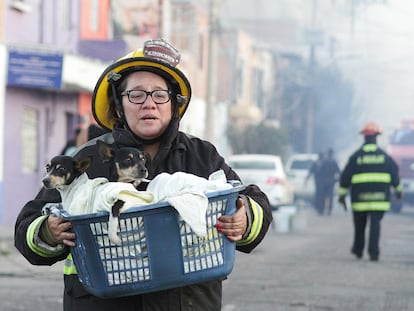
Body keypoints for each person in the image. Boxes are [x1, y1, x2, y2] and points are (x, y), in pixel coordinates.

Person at [14, 39, 273, 310]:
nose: (149, 104)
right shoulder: (87, 161)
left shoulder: (201, 156)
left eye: (160, 95)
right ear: (118, 106)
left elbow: (250, 201)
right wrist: (48, 231)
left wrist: (245, 218)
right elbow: (28, 227)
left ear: (174, 104)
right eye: (136, 95)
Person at [338, 121, 402, 262]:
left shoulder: (356, 157)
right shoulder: (385, 157)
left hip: (359, 199)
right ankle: (374, 253)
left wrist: (341, 196)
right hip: (379, 200)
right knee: (375, 226)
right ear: (376, 137)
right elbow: (395, 175)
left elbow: (345, 178)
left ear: (364, 137)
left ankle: (358, 250)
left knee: (359, 226)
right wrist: (398, 192)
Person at [319, 148, 340, 215]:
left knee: (323, 196)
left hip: (324, 182)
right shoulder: (334, 162)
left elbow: (320, 172)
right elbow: (338, 172)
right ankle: (329, 211)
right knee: (330, 197)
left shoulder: (324, 162)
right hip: (331, 182)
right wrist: (337, 180)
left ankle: (322, 210)